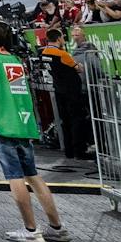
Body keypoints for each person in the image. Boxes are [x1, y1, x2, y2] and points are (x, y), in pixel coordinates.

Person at [0, 21, 72, 242]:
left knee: (15, 177)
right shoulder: (14, 60)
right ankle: (57, 227)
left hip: (1, 125)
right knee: (32, 175)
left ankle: (31, 230)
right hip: (22, 123)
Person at [40, 28, 92, 161]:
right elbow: (78, 68)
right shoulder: (62, 54)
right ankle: (79, 151)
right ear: (58, 39)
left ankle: (69, 150)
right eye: (62, 37)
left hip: (59, 90)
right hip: (72, 92)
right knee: (77, 120)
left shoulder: (44, 52)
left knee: (65, 121)